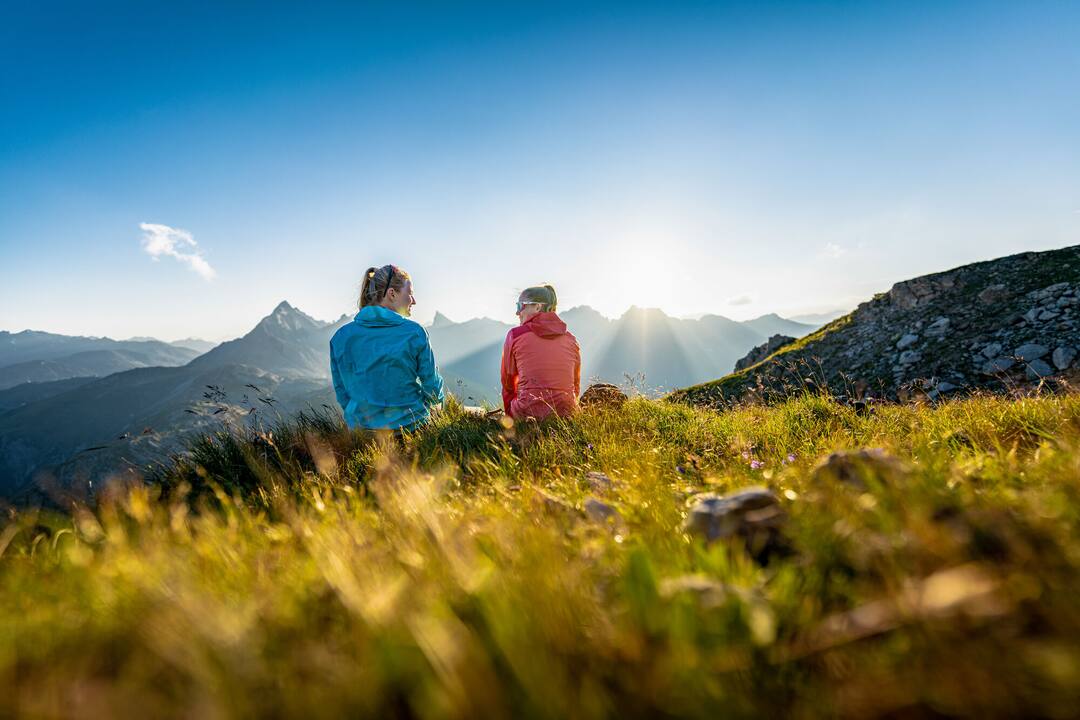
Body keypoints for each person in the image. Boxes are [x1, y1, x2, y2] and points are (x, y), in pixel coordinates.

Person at [330, 264, 444, 432]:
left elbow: (342, 392)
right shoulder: (414, 332)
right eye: (410, 293)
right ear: (392, 294)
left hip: (362, 434)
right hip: (411, 428)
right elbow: (432, 386)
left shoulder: (340, 337)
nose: (414, 300)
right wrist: (427, 413)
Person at [500, 284, 581, 420]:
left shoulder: (515, 335)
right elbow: (575, 385)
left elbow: (508, 382)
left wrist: (511, 417)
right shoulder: (572, 339)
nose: (517, 312)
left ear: (537, 307)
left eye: (520, 306)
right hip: (567, 413)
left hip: (526, 413)